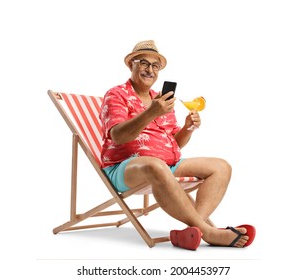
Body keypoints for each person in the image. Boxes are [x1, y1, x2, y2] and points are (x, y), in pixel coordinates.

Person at [100, 40, 255, 250]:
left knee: (221, 166)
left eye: (155, 66)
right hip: (125, 167)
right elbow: (117, 136)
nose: (150, 69)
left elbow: (175, 143)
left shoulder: (163, 100)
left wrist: (187, 128)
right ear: (131, 65)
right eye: (143, 63)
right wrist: (150, 113)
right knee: (155, 165)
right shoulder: (116, 94)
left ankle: (195, 231)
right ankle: (210, 233)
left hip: (168, 164)